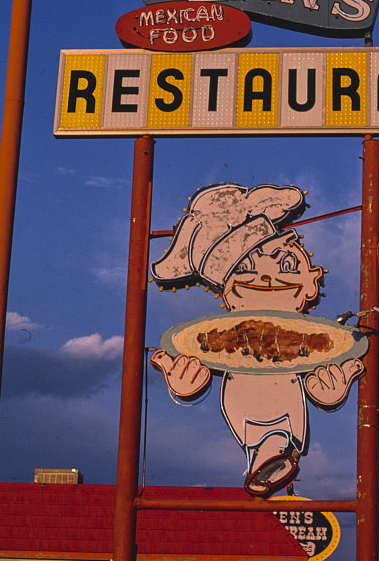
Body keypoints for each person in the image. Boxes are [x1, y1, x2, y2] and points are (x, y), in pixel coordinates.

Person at [150, 183, 365, 497]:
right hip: (244, 398)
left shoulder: (313, 340)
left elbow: (323, 381)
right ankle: (267, 452)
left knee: (278, 424)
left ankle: (273, 450)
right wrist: (185, 379)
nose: (267, 278)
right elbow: (194, 365)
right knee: (264, 424)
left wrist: (328, 389)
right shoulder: (216, 340)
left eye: (286, 264)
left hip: (287, 396)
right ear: (227, 292)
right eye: (247, 269)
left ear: (312, 282)